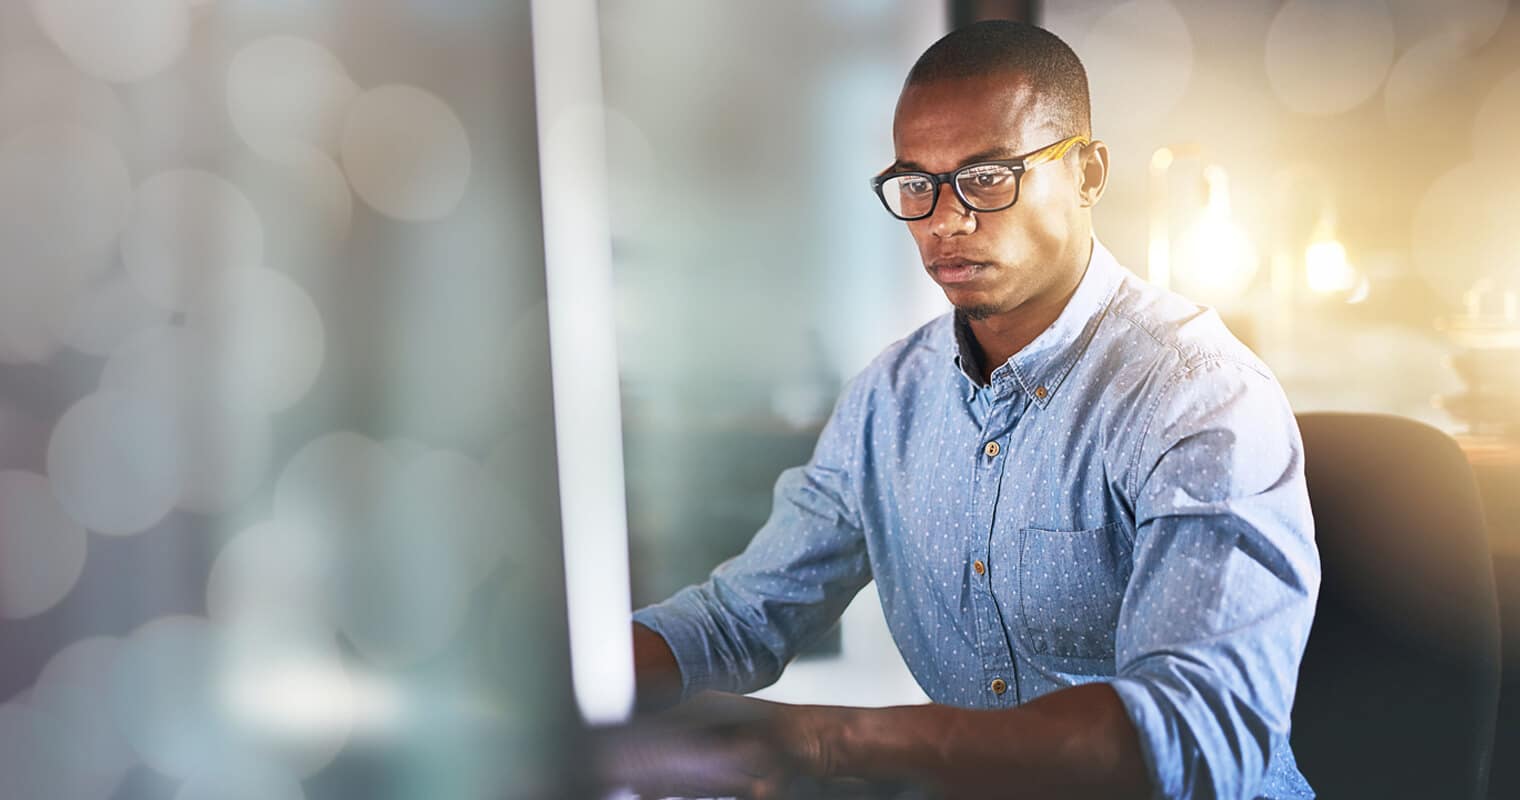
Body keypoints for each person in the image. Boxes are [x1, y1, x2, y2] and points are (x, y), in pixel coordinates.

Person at [619, 19, 1319, 800]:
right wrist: (549, 685)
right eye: (917, 184)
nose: (945, 220)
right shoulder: (892, 398)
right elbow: (737, 620)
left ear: (1088, 175)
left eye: (988, 177)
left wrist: (830, 737)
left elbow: (1195, 738)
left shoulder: (1200, 393)